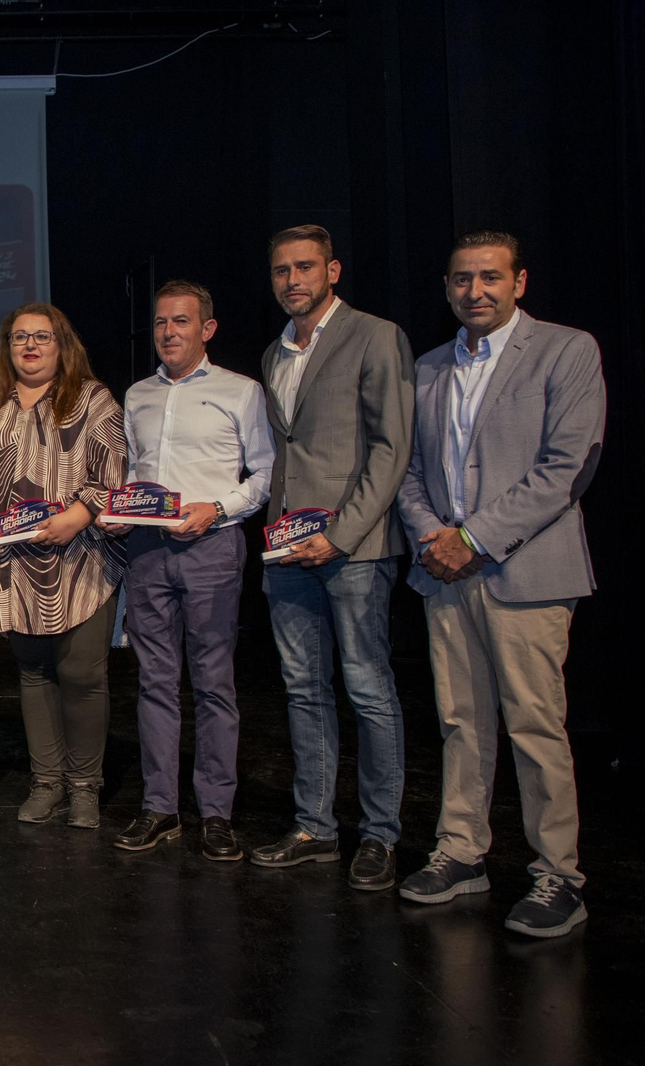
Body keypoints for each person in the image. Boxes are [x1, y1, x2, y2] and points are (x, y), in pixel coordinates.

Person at [395, 231, 605, 937]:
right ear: (447, 287)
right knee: (460, 721)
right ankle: (461, 851)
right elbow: (411, 474)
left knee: (534, 726)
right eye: (461, 279)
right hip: (445, 572)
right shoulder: (427, 368)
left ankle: (557, 877)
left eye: (489, 277)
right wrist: (433, 534)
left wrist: (474, 537)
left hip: (525, 570)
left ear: (520, 282)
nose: (474, 291)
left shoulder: (566, 350)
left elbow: (566, 468)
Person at [250, 225, 415, 890]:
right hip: (288, 552)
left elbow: (391, 448)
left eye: (305, 267)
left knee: (369, 689)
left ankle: (380, 836)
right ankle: (315, 827)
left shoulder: (376, 336)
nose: (293, 280)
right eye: (282, 270)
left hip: (355, 550)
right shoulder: (272, 353)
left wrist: (342, 534)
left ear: (333, 270)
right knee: (302, 691)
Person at [103, 281, 274, 860]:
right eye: (160, 323)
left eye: (181, 322)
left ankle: (217, 814)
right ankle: (160, 808)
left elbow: (265, 476)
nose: (169, 332)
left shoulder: (243, 392)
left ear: (208, 328)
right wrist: (121, 511)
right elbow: (133, 473)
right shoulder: (137, 395)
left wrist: (218, 509)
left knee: (213, 684)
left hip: (213, 548)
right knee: (153, 682)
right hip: (148, 552)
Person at [0, 302, 128, 829]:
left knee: (82, 673)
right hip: (11, 565)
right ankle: (47, 782)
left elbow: (116, 473)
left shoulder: (93, 400)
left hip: (81, 558)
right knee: (32, 673)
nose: (30, 347)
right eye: (19, 338)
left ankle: (84, 788)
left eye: (42, 338)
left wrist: (77, 517)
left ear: (62, 345)